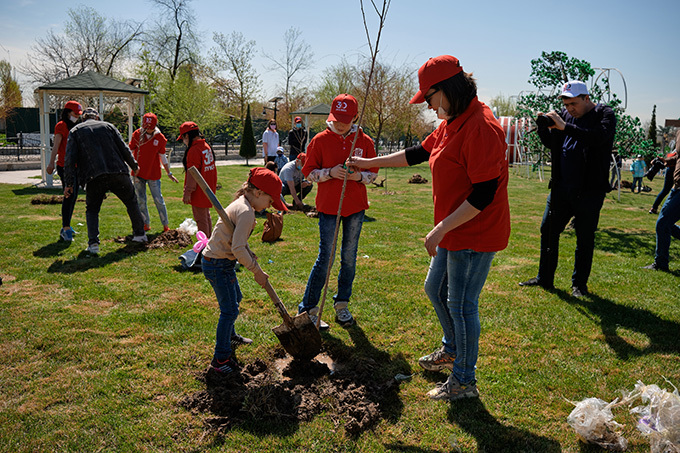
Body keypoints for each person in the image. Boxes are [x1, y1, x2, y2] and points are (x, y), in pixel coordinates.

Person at [350, 55, 510, 401]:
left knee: (463, 304)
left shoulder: (481, 127)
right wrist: (368, 163)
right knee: (435, 288)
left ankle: (464, 380)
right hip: (454, 228)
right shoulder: (452, 121)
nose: (427, 105)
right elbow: (415, 154)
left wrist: (439, 230)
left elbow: (484, 195)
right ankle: (452, 349)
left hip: (474, 231)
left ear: (449, 89)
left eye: (429, 97)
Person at [519, 81, 616, 298]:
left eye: (574, 103)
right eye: (566, 103)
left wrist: (565, 126)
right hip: (561, 187)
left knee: (584, 237)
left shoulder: (605, 114)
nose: (570, 108)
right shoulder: (565, 116)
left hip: (589, 190)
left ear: (587, 98)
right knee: (548, 230)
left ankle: (579, 285)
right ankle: (544, 278)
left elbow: (598, 138)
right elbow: (554, 144)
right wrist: (544, 128)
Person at [298, 93, 378, 329]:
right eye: (337, 118)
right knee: (326, 257)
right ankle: (309, 309)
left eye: (346, 119)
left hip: (355, 207)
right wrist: (328, 173)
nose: (340, 123)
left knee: (349, 258)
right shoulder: (320, 140)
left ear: (355, 117)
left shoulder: (365, 141)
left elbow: (373, 174)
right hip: (329, 207)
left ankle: (341, 304)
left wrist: (358, 176)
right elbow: (308, 172)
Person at [202, 167, 287, 373]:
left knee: (235, 298)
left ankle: (229, 336)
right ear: (258, 193)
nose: (270, 206)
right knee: (229, 310)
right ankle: (220, 360)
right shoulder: (246, 211)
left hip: (220, 261)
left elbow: (236, 240)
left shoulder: (242, 204)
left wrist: (248, 251)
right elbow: (237, 248)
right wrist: (255, 270)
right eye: (270, 200)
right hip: (218, 264)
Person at [63, 108, 146, 255]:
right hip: (118, 172)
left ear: (83, 118)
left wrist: (69, 184)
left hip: (93, 176)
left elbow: (69, 160)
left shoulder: (75, 131)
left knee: (93, 209)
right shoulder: (108, 126)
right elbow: (123, 147)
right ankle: (140, 235)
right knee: (131, 201)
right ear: (97, 117)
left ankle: (93, 244)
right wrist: (134, 165)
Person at [129, 112, 178, 232]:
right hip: (138, 174)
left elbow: (163, 157)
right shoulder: (137, 134)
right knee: (141, 200)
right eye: (146, 127)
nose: (148, 131)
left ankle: (165, 225)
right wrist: (131, 167)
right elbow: (130, 151)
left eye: (150, 129)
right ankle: (145, 224)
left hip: (153, 174)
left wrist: (169, 172)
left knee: (158, 200)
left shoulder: (160, 138)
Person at [643, 131, 680, 271]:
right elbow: (678, 156)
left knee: (663, 223)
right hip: (676, 186)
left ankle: (661, 263)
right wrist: (665, 161)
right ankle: (660, 262)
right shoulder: (679, 133)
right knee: (665, 224)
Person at [46, 100, 82, 242]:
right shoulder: (61, 126)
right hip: (65, 167)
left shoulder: (77, 126)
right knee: (69, 194)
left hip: (76, 166)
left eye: (78, 114)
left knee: (73, 196)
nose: (77, 116)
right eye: (75, 114)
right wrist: (50, 163)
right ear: (68, 113)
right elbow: (56, 146)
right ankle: (65, 228)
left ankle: (67, 225)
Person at [180, 121, 217, 238]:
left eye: (183, 138)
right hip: (208, 187)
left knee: (201, 219)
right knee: (205, 216)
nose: (183, 141)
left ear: (187, 136)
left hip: (199, 190)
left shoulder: (194, 150)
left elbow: (192, 174)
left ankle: (205, 247)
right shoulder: (205, 146)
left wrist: (187, 191)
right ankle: (210, 240)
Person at [649, 141, 677, 214]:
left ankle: (654, 208)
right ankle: (655, 208)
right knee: (669, 190)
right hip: (673, 168)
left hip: (671, 168)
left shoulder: (676, 147)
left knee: (667, 190)